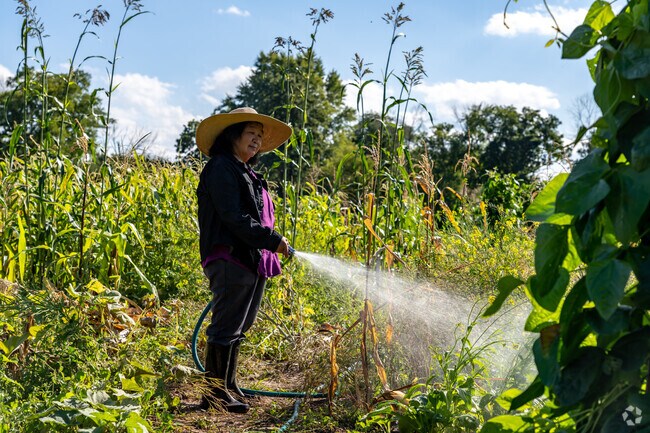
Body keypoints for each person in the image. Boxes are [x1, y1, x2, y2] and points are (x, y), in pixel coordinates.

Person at [195, 107, 292, 413]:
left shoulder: (247, 172)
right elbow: (234, 217)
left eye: (260, 137)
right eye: (252, 133)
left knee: (240, 324)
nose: (257, 141)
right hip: (230, 257)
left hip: (251, 259)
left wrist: (267, 243)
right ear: (233, 135)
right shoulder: (221, 168)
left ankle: (228, 385)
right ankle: (213, 395)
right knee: (226, 326)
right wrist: (272, 240)